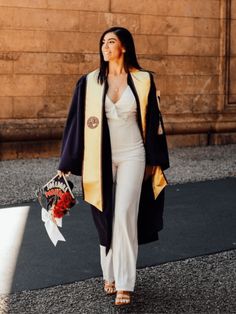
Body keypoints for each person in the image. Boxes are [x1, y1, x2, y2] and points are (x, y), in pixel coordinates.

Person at [58, 26, 169, 306]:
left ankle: (124, 283)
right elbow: (75, 124)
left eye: (111, 42)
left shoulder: (144, 80)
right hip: (100, 158)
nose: (105, 47)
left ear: (125, 47)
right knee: (105, 213)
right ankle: (108, 273)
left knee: (124, 215)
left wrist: (154, 162)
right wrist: (67, 162)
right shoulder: (90, 82)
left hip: (133, 154)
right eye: (103, 43)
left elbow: (156, 124)